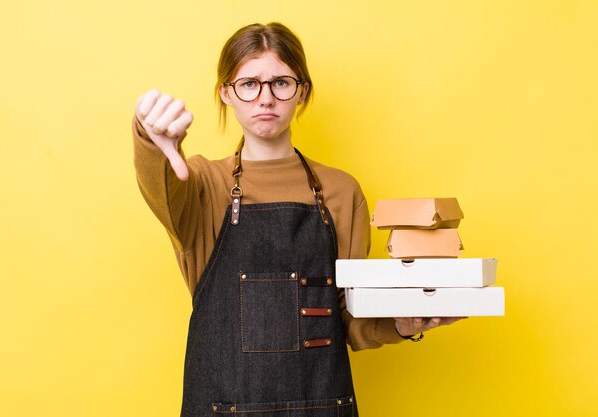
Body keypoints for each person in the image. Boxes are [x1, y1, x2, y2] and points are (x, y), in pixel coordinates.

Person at [133, 22, 461, 417]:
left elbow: (348, 316)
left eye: (281, 83)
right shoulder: (202, 183)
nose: (265, 98)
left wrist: (404, 325)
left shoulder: (341, 191)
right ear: (226, 93)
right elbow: (162, 191)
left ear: (301, 91)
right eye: (249, 84)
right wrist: (150, 140)